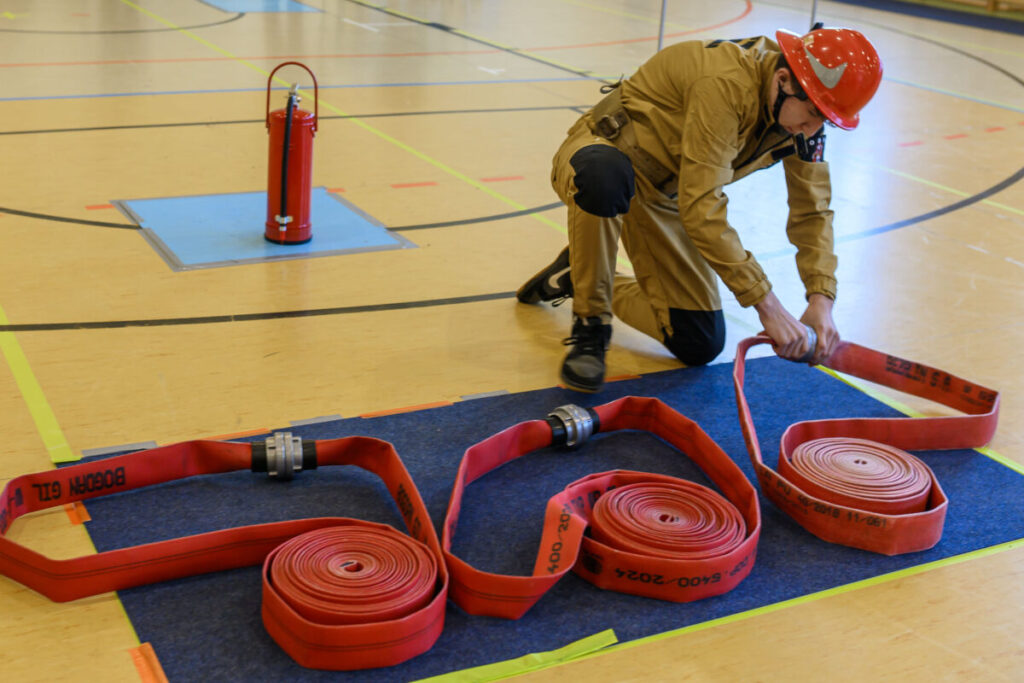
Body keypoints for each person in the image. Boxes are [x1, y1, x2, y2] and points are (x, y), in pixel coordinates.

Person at [516, 26, 883, 392]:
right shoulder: (726, 83)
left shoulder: (804, 121)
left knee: (699, 341)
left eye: (827, 120)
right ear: (783, 80)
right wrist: (768, 306)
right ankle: (590, 327)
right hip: (607, 151)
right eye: (812, 112)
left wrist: (821, 298)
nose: (813, 129)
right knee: (604, 178)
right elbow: (703, 205)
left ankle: (576, 277)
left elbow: (813, 212)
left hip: (668, 191)